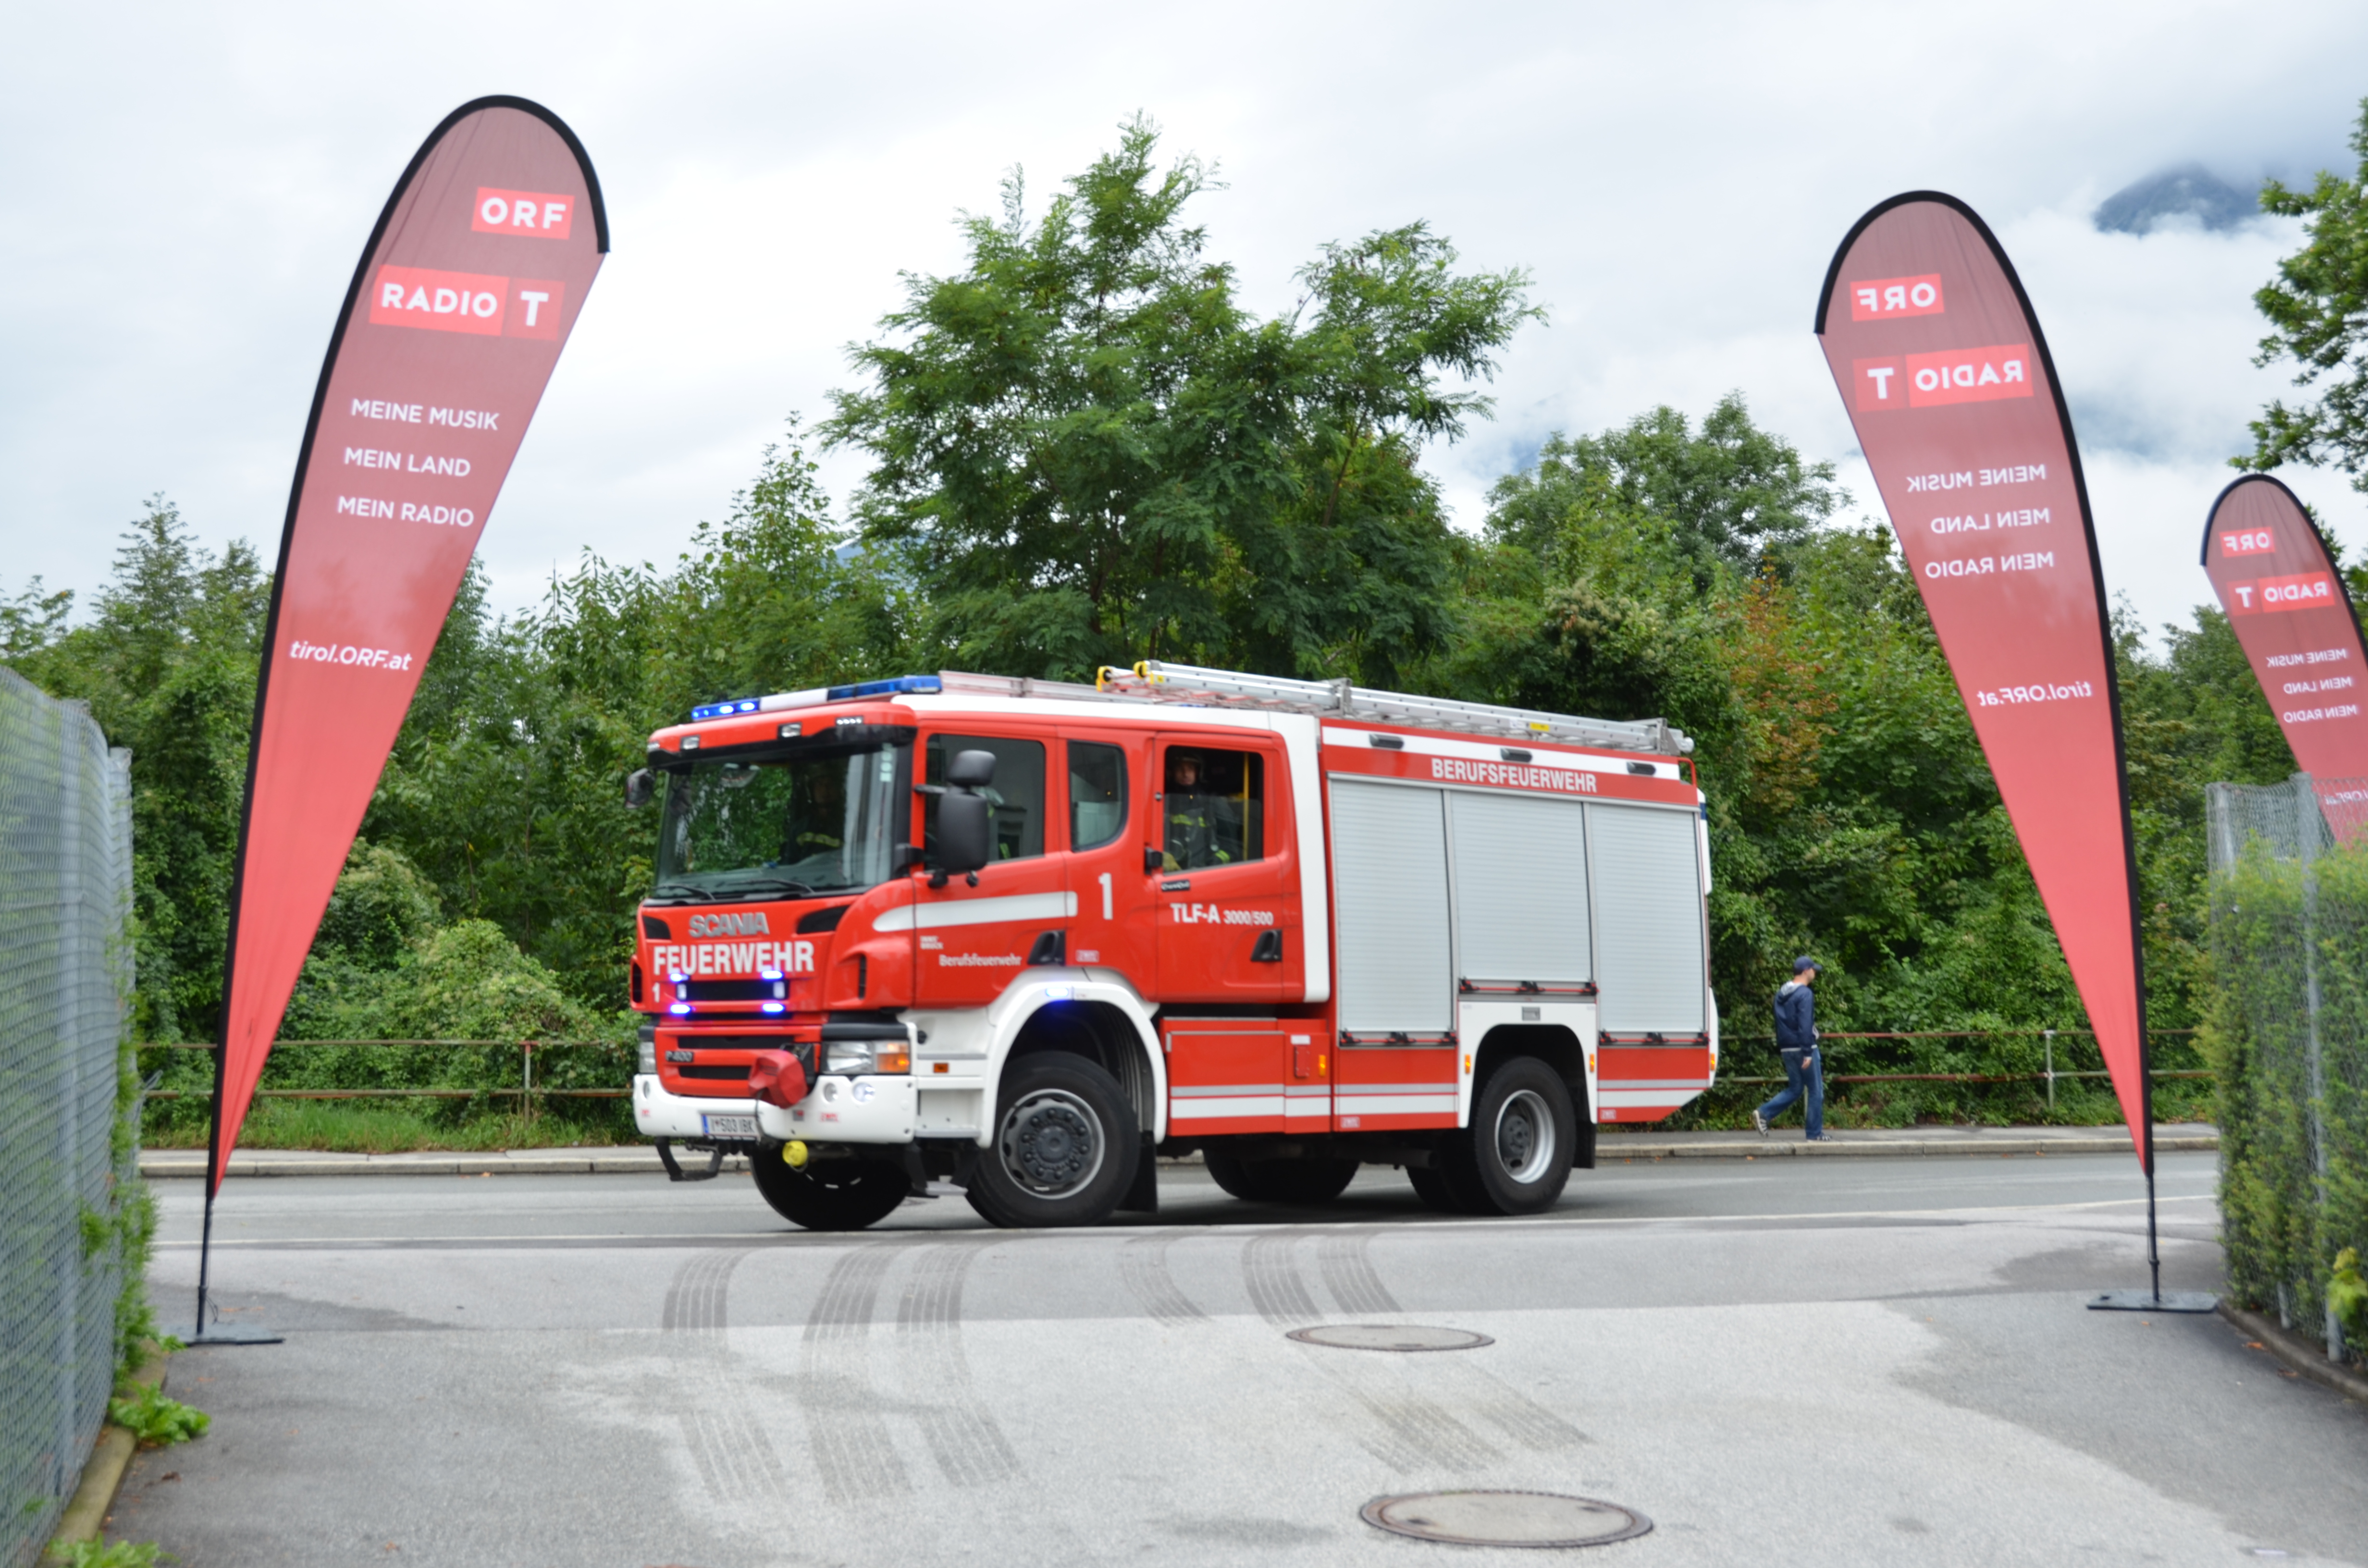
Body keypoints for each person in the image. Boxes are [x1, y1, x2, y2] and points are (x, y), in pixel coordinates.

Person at [1754, 957, 1829, 1141]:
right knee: (1816, 1091)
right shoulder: (1805, 994)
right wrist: (1807, 1052)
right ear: (1805, 971)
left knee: (1795, 1089)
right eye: (1813, 969)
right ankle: (1814, 1133)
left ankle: (1764, 1113)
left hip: (1787, 1047)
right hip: (1805, 1047)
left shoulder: (1781, 993)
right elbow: (1805, 1024)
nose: (1815, 972)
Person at [1163, 751, 1241, 870]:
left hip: (1202, 876)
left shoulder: (1213, 804)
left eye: (1190, 769)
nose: (1185, 774)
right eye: (1180, 768)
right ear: (1172, 773)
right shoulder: (1163, 802)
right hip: (1168, 875)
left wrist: (1211, 865)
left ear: (1198, 773)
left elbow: (1231, 849)